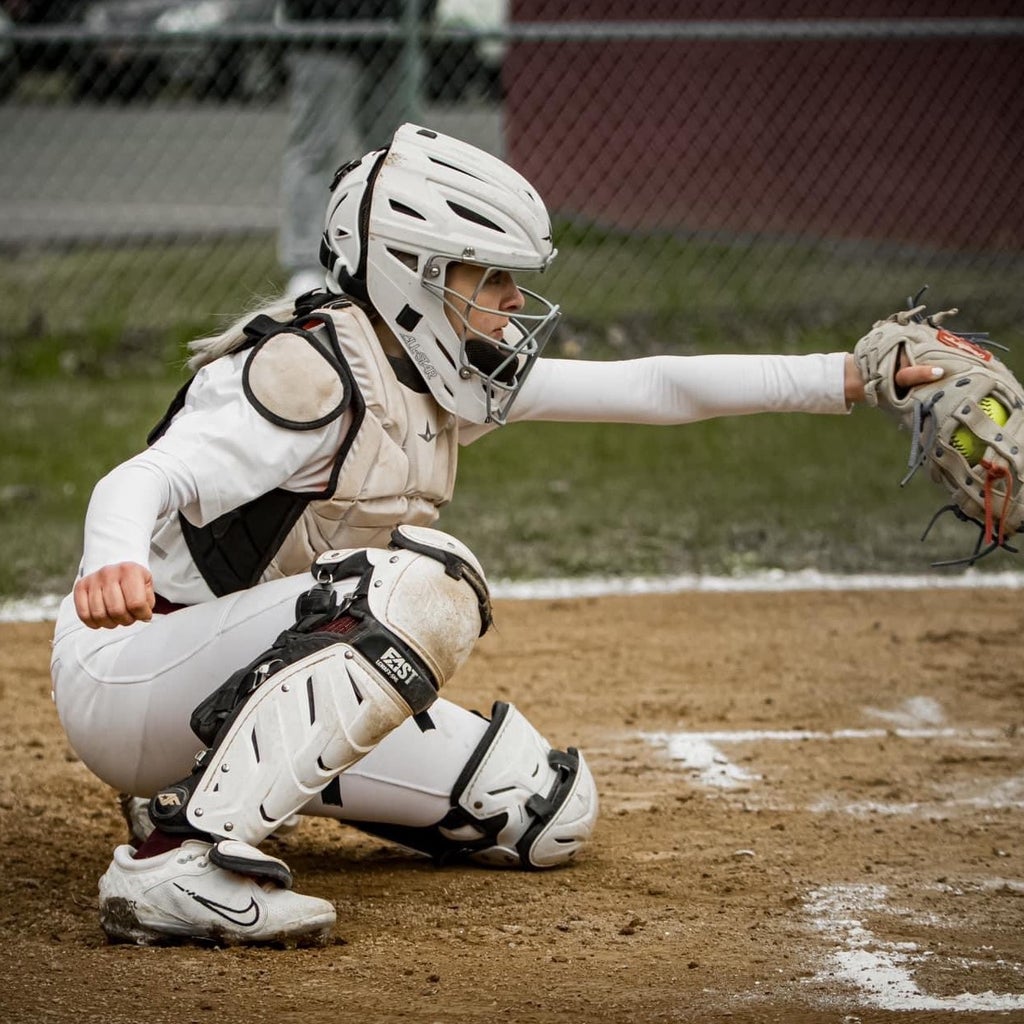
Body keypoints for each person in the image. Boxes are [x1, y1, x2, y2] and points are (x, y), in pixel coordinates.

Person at [51, 123, 942, 948]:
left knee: (544, 809)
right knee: (419, 587)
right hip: (131, 675)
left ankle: (196, 794)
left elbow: (652, 387)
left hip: (222, 684)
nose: (515, 300)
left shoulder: (437, 369)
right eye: (489, 277)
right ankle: (171, 861)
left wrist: (850, 376)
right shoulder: (304, 370)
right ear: (413, 275)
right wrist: (112, 558)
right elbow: (138, 479)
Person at [279, 0, 435, 299]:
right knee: (315, 151)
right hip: (322, 33)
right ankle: (305, 267)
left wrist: (423, 14)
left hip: (394, 36)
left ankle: (398, 256)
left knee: (400, 156)